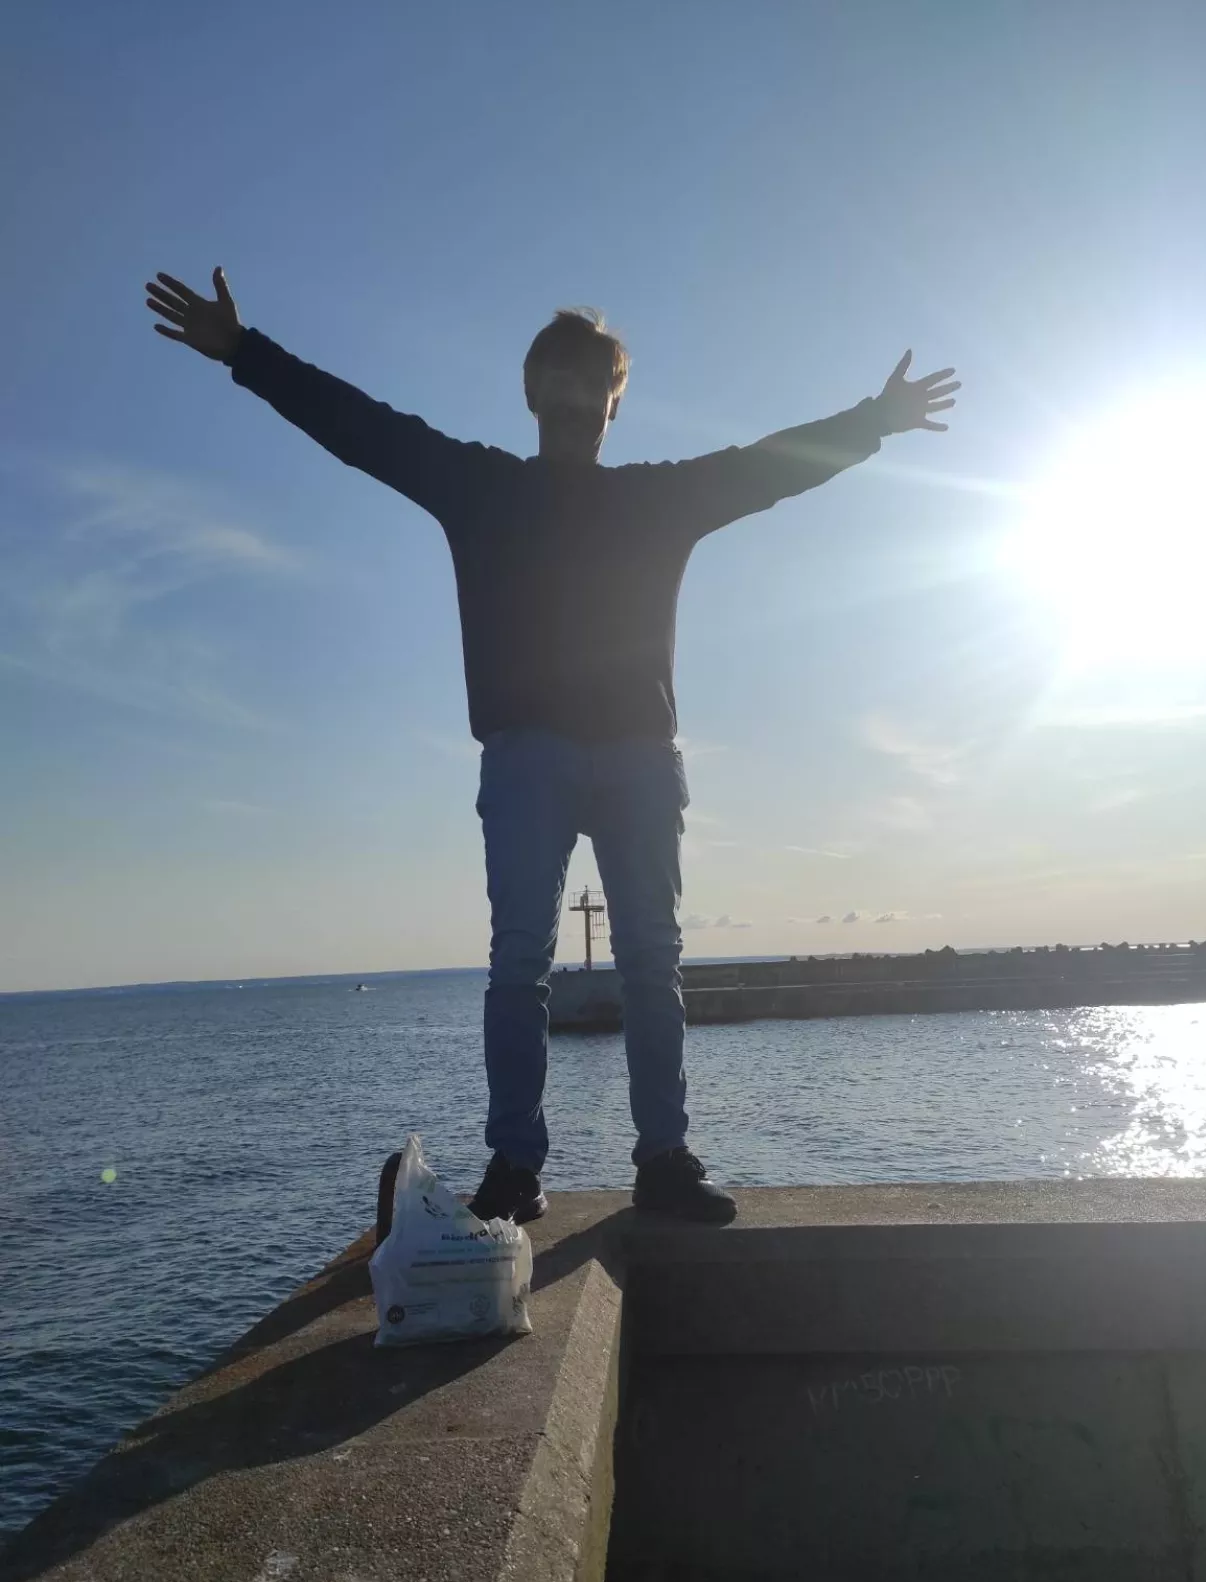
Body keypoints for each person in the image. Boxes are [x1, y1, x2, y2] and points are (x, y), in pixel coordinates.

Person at [144, 267, 960, 1226]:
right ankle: (516, 1166)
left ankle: (663, 1160)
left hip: (640, 758)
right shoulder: (478, 484)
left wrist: (875, 420)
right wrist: (244, 352)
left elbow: (768, 465)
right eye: (560, 379)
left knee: (651, 963)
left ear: (614, 403)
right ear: (532, 392)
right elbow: (361, 426)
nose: (576, 397)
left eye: (593, 383)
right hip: (526, 756)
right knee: (519, 965)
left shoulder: (658, 499)